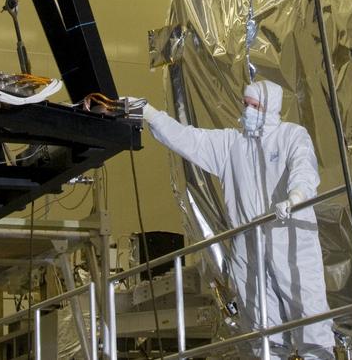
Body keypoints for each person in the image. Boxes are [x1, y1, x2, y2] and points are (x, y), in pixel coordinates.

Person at [140, 80, 334, 359]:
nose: (247, 109)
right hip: (247, 243)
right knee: (259, 324)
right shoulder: (231, 144)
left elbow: (303, 165)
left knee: (308, 311)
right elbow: (187, 138)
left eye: (254, 105)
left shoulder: (291, 135)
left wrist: (296, 196)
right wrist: (150, 113)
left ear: (270, 109)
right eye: (245, 103)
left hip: (290, 236)